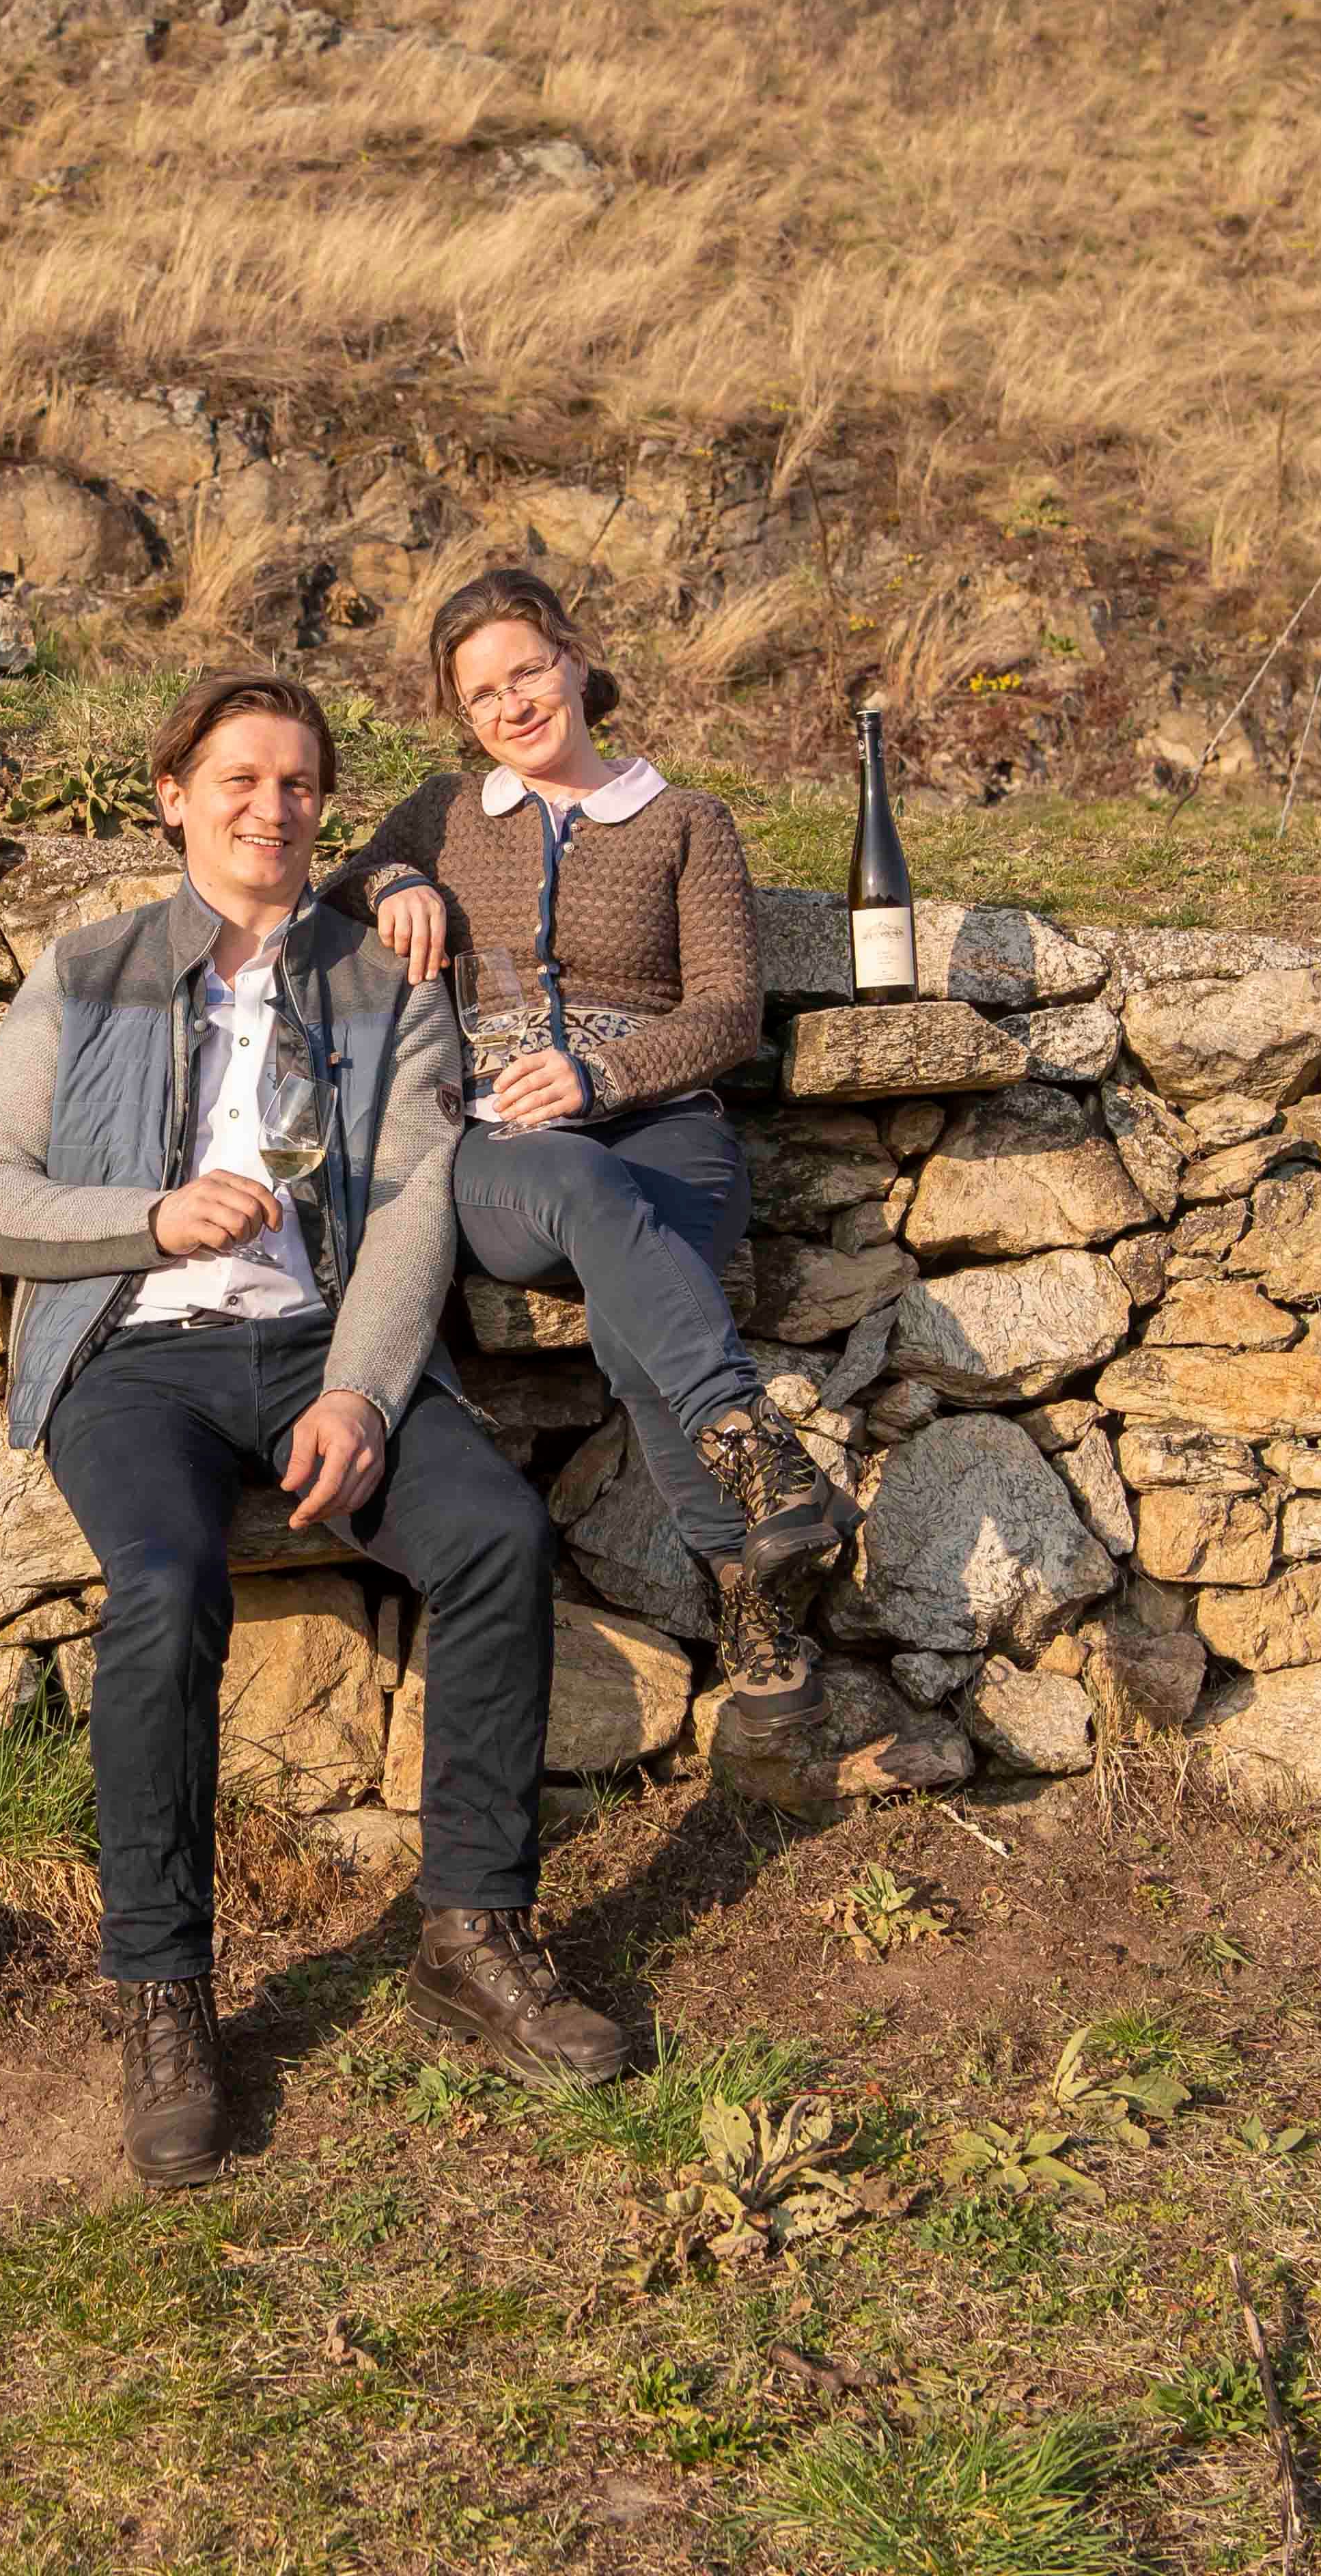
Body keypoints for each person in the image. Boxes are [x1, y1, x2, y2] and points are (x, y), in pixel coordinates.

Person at [0, 668, 634, 2193]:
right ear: (174, 793)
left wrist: (363, 1392)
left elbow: (408, 1202)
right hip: (138, 1355)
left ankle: (472, 1927)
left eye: (300, 783)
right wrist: (146, 1214)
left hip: (323, 1345)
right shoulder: (90, 968)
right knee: (164, 1585)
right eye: (239, 779)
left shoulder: (386, 982)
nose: (272, 807)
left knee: (499, 1536)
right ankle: (164, 1992)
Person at [320, 567, 848, 1762]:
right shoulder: (446, 812)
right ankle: (756, 1451)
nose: (512, 705)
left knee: (637, 1313)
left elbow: (729, 1013)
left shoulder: (686, 821)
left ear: (572, 660)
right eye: (480, 694)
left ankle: (754, 1610)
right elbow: (336, 880)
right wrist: (397, 878)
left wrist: (605, 1078)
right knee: (586, 1194)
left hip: (672, 1133)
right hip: (508, 1153)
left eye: (526, 672)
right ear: (462, 718)